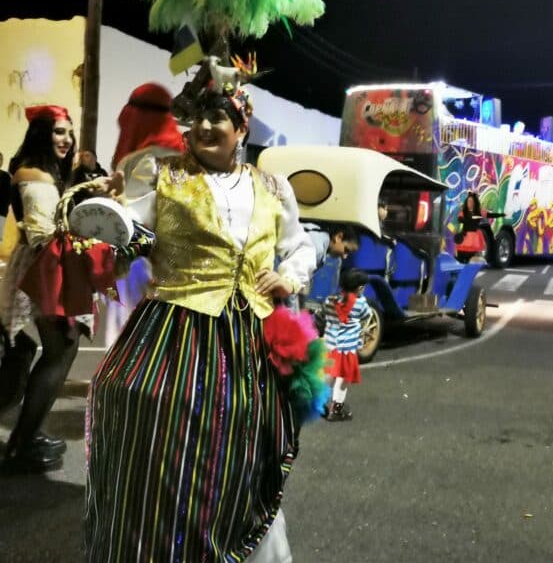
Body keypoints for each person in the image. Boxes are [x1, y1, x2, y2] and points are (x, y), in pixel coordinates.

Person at [85, 65, 319, 562]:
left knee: (241, 450)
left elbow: (300, 246)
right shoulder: (165, 179)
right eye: (199, 118)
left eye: (220, 117)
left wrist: (289, 276)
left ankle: (234, 544)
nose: (207, 127)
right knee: (168, 446)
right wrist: (107, 210)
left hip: (249, 341)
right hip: (175, 334)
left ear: (242, 128)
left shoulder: (274, 188)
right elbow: (134, 232)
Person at [0, 105, 103, 473]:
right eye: (59, 131)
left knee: (58, 347)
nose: (67, 139)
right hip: (44, 268)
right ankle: (23, 441)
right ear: (41, 132)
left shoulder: (41, 171)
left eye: (69, 132)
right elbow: (45, 233)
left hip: (45, 265)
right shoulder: (36, 176)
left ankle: (27, 434)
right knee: (61, 348)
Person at [102, 82, 185, 346]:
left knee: (127, 339)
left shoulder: (142, 161)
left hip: (138, 261)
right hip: (178, 263)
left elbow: (135, 218)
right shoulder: (186, 157)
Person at [323, 268, 371, 421]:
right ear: (360, 288)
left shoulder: (330, 299)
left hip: (329, 345)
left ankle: (320, 404)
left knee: (328, 377)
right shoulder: (360, 303)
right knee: (342, 380)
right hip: (346, 349)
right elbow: (367, 315)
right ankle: (336, 410)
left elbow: (323, 313)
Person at [455, 191, 503, 262]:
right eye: (468, 201)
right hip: (465, 237)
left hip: (474, 238)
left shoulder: (479, 211)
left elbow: (489, 215)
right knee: (461, 258)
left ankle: (468, 269)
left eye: (471, 201)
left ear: (474, 203)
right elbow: (460, 219)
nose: (469, 203)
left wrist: (501, 215)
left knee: (471, 259)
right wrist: (467, 219)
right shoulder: (464, 211)